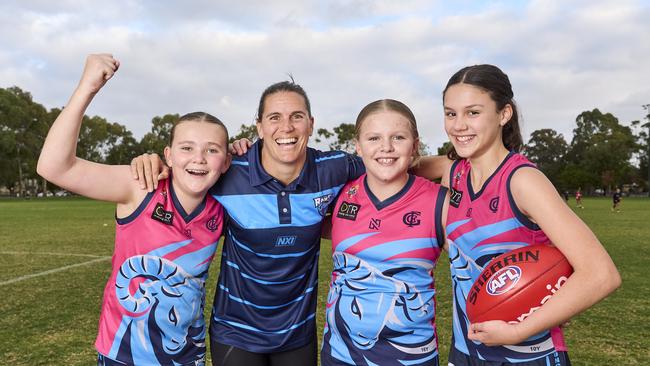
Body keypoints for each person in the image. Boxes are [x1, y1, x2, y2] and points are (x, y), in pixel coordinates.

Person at [132, 80, 366, 365]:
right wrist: (152, 161)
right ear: (259, 127)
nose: (287, 127)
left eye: (297, 116)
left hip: (297, 334)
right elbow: (190, 169)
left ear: (311, 124)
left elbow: (390, 164)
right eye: (274, 118)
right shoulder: (230, 171)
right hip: (236, 334)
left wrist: (438, 164)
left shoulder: (335, 167)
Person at [417, 64, 621, 365]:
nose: (458, 125)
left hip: (527, 354)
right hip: (465, 352)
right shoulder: (454, 172)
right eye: (451, 113)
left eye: (473, 112)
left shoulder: (522, 181)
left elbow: (601, 274)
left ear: (504, 114)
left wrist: (518, 331)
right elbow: (404, 164)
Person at [36, 54, 231, 365]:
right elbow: (53, 167)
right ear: (168, 154)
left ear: (226, 161)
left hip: (186, 355)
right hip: (123, 354)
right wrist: (88, 87)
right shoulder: (140, 186)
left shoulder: (222, 205)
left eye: (212, 150)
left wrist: (248, 144)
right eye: (187, 148)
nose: (199, 159)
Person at [320, 99, 448, 365]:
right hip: (340, 354)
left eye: (398, 137)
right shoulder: (340, 192)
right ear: (358, 145)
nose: (386, 147)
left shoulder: (440, 201)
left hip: (410, 357)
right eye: (374, 138)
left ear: (415, 145)